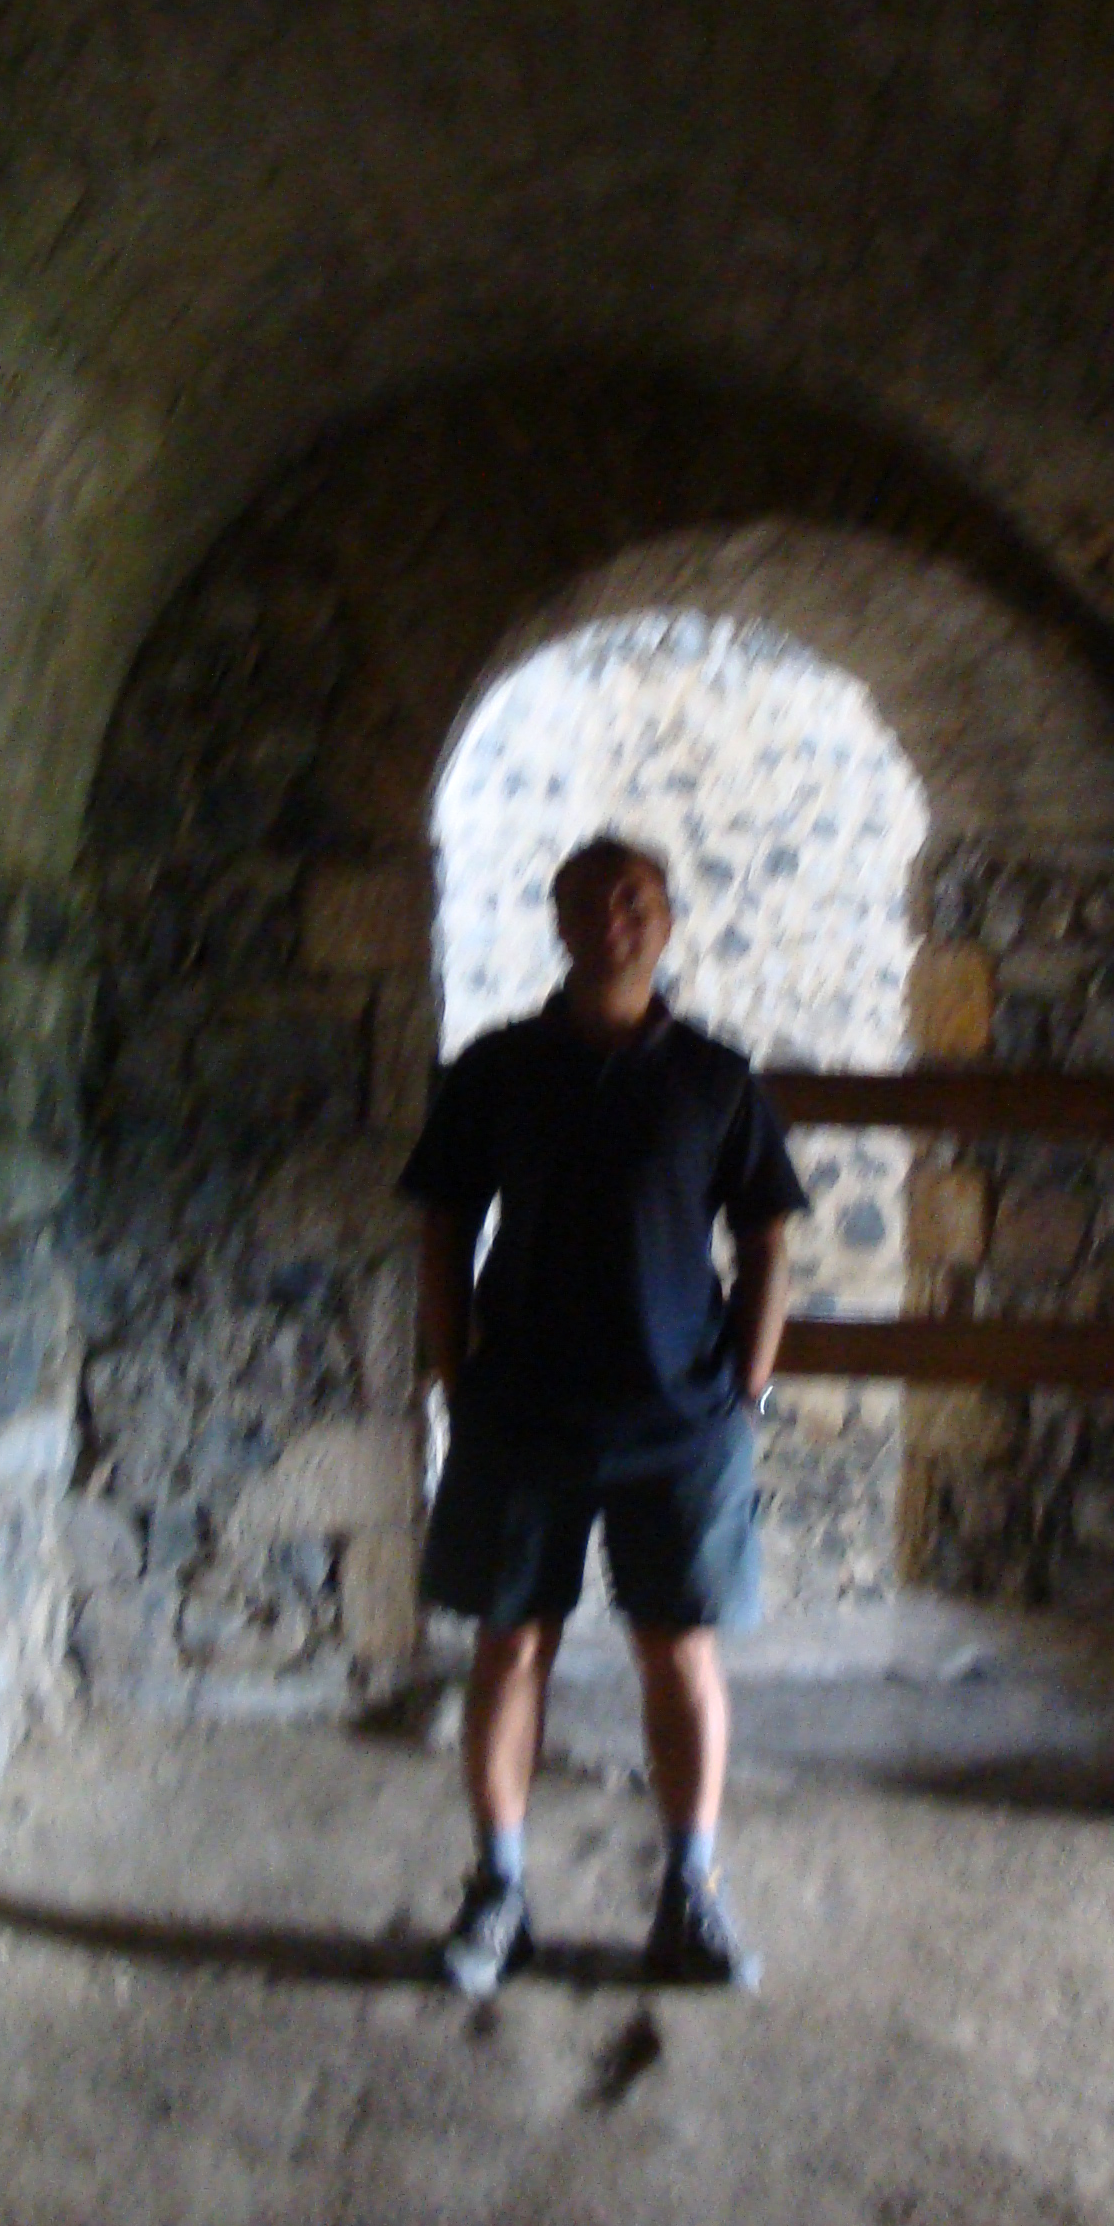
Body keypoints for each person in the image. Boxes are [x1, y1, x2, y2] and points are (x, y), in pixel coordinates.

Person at [399, 832, 807, 1997]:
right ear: (559, 919)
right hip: (523, 1410)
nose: (612, 918)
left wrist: (748, 1388)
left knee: (679, 1649)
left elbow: (769, 1236)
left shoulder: (716, 1079)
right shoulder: (496, 1069)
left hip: (681, 1421)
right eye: (587, 899)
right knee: (508, 1644)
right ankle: (499, 1890)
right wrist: (456, 1376)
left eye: (634, 900)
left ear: (666, 921)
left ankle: (691, 1891)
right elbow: (442, 1224)